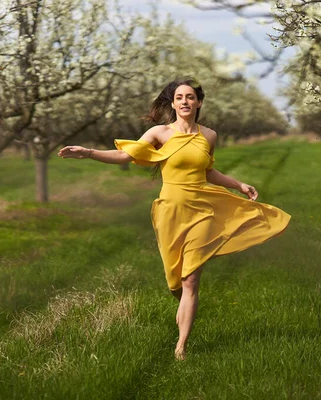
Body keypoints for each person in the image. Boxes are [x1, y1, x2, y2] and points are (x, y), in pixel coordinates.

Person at [58, 78, 291, 360]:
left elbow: (208, 172)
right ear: (173, 103)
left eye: (190, 97)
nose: (184, 101)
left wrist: (238, 184)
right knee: (176, 283)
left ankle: (181, 347)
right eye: (179, 97)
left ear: (199, 102)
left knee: (191, 278)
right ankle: (183, 309)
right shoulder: (159, 133)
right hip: (170, 210)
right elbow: (123, 155)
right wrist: (88, 152)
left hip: (202, 208)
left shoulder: (210, 135)